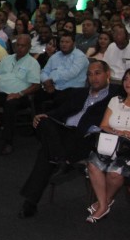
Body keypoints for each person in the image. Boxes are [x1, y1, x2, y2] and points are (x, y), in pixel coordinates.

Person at [18, 60, 118, 218]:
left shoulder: (116, 95)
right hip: (65, 132)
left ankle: (31, 202)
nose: (94, 78)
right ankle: (61, 159)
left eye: (98, 73)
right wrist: (46, 116)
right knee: (43, 121)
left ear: (108, 75)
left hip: (87, 137)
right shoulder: (80, 93)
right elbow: (61, 110)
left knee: (45, 153)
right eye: (90, 74)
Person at [85, 68, 130, 223]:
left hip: (128, 148)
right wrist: (117, 132)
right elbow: (104, 125)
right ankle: (104, 205)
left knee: (115, 173)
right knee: (93, 165)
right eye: (126, 79)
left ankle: (104, 201)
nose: (128, 83)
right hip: (112, 142)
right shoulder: (116, 100)